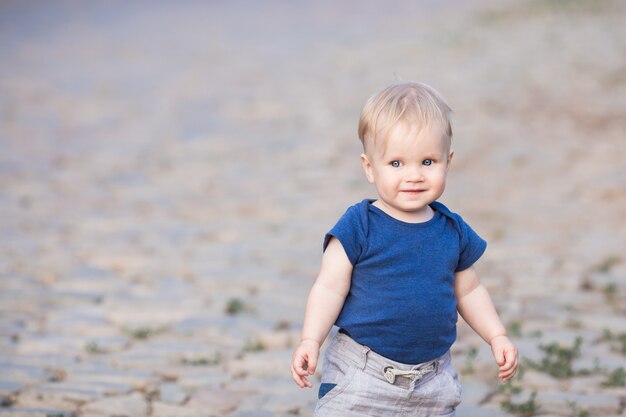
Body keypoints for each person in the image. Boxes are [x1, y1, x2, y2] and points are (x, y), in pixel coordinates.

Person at [290, 81, 518, 416]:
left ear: (447, 162)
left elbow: (469, 291)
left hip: (431, 379)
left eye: (427, 162)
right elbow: (328, 287)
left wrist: (496, 335)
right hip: (362, 374)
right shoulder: (359, 224)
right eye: (396, 163)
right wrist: (311, 339)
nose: (413, 175)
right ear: (370, 167)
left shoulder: (451, 230)